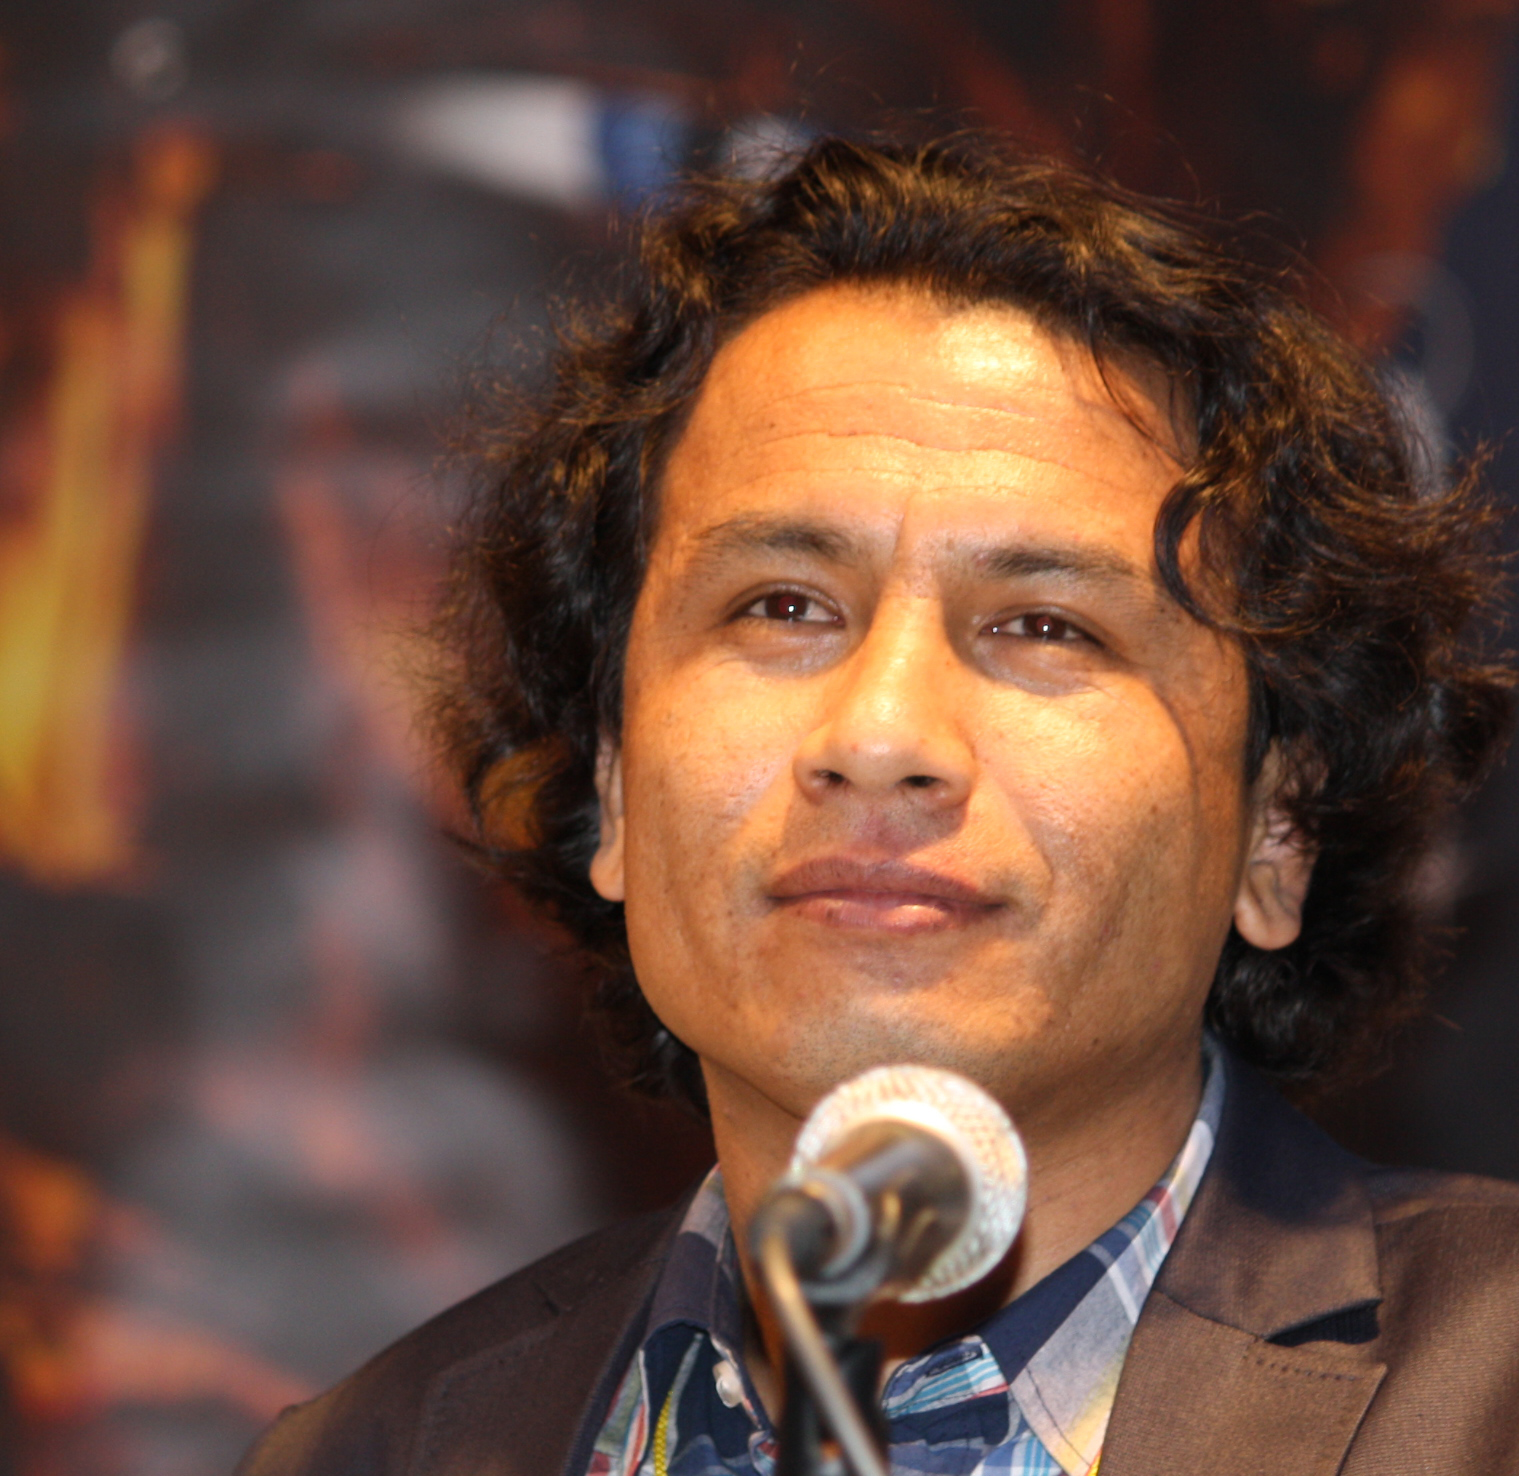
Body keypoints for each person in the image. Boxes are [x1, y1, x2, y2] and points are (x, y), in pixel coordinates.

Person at [238, 134, 1519, 1476]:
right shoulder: (369, 1453)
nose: (880, 736)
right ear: (610, 785)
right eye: (782, 607)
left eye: (1045, 625)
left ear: (1278, 830)